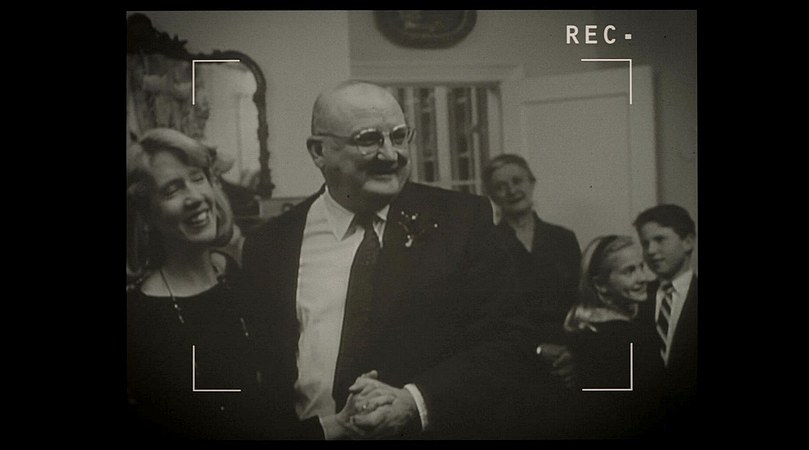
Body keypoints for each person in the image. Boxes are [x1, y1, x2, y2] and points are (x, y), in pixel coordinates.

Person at [239, 81, 562, 439]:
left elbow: (510, 340)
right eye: (368, 139)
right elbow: (260, 370)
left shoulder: (462, 220)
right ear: (319, 151)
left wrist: (414, 402)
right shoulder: (270, 245)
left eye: (398, 136)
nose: (391, 155)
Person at [126, 128, 264, 439]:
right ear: (146, 215)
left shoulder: (233, 273)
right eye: (172, 190)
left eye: (198, 179)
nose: (195, 198)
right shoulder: (138, 315)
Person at [562, 235, 660, 438]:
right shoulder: (634, 338)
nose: (643, 277)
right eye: (629, 271)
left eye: (641, 267)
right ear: (600, 285)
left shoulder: (582, 329)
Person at [482, 154, 582, 331]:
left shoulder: (563, 238)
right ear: (492, 196)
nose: (511, 191)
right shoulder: (486, 243)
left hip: (565, 338)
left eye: (517, 181)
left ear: (532, 183)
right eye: (500, 187)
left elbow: (580, 296)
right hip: (511, 341)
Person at [633, 204, 698, 435]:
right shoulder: (635, 299)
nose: (651, 250)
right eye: (645, 243)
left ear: (688, 241)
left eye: (660, 240)